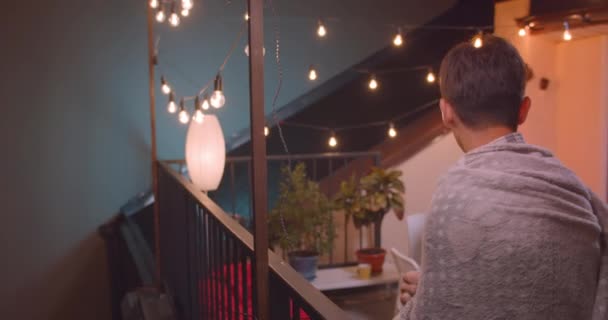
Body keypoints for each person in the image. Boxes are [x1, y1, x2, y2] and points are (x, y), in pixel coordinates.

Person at [394, 35, 608, 320]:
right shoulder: (576, 193)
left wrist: (418, 301)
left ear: (446, 111)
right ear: (524, 109)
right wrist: (434, 287)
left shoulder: (452, 196)